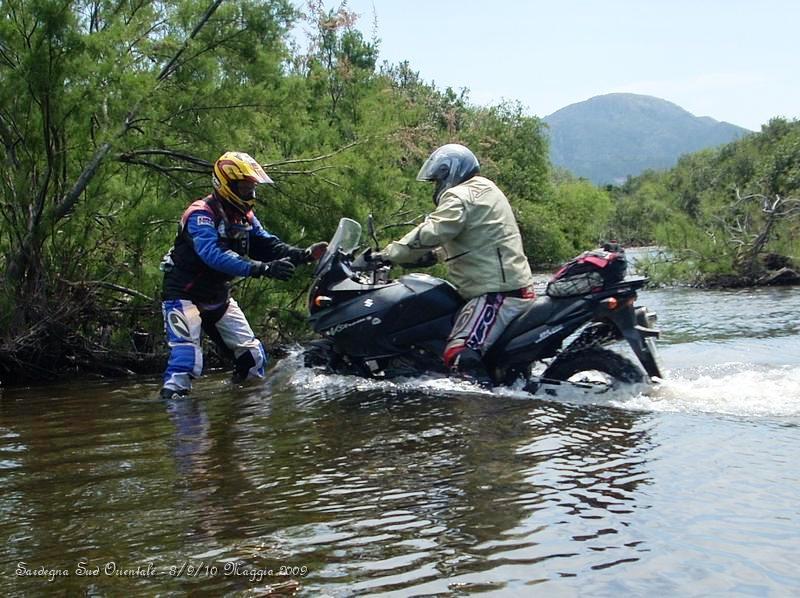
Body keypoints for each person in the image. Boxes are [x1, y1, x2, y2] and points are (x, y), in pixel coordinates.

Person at [159, 152, 327, 399]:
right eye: (245, 186)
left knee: (252, 358)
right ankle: (183, 430)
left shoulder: (244, 216)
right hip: (184, 294)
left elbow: (267, 244)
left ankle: (242, 416)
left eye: (252, 186)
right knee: (185, 361)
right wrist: (262, 268)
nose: (250, 191)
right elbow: (212, 254)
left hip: (217, 295)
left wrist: (303, 255)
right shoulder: (201, 214)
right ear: (225, 184)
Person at [381, 143, 535, 383]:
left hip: (497, 294)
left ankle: (481, 417)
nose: (437, 186)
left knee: (460, 353)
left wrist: (389, 253)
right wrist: (433, 256)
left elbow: (434, 230)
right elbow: (479, 238)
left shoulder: (460, 195)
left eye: (437, 180)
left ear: (451, 172)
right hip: (511, 287)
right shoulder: (486, 189)